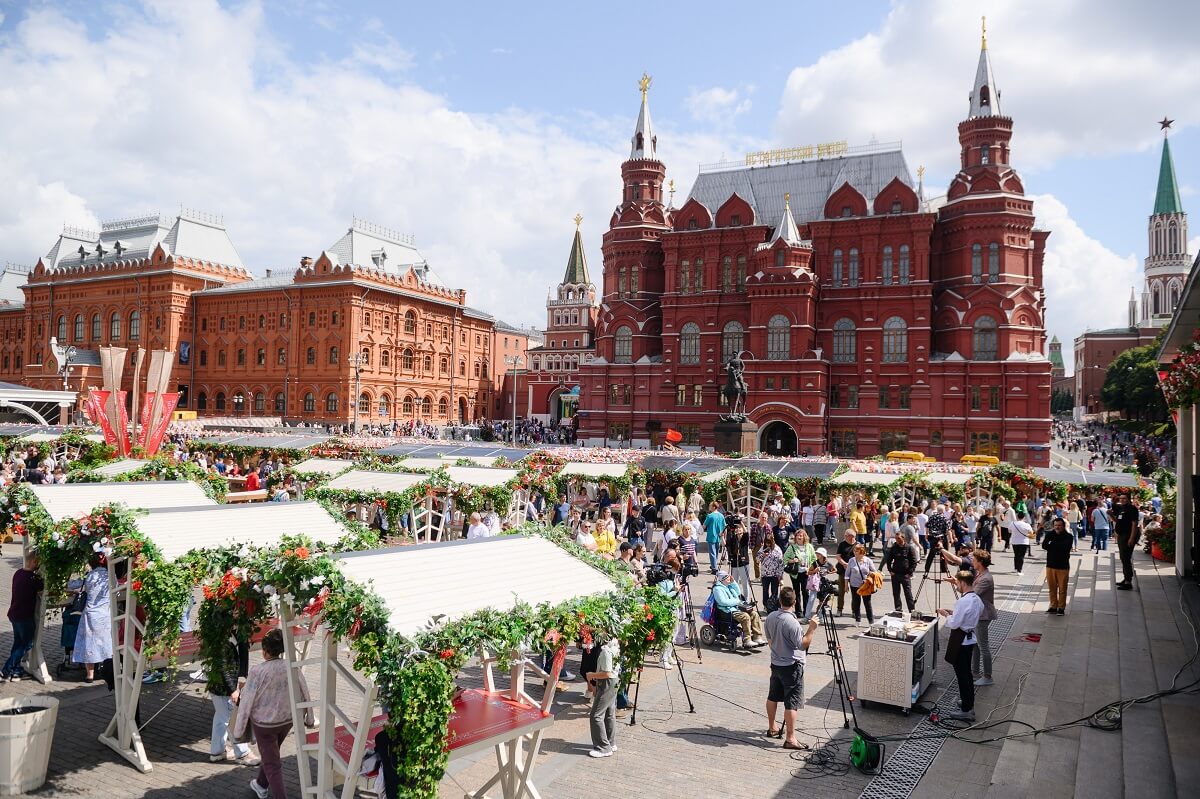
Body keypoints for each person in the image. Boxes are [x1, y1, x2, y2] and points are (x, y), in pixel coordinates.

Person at [234, 628, 312, 799]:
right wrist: (310, 718)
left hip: (265, 724)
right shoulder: (291, 666)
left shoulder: (257, 671)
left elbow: (246, 702)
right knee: (271, 754)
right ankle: (261, 784)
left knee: (272, 763)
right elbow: (305, 690)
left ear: (265, 651)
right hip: (287, 720)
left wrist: (238, 731)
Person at [763, 587, 819, 751]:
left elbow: (770, 642)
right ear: (795, 602)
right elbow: (802, 644)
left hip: (776, 664)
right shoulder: (792, 622)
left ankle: (772, 727)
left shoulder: (770, 617)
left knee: (773, 696)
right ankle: (790, 738)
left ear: (780, 601)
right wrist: (812, 628)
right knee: (792, 703)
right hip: (791, 666)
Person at [937, 570, 985, 721]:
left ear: (963, 583)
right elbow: (974, 614)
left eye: (957, 582)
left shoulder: (963, 601)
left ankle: (967, 710)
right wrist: (955, 613)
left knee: (962, 676)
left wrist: (946, 614)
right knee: (967, 674)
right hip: (970, 639)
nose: (956, 585)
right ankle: (967, 702)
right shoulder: (976, 599)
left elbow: (954, 623)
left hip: (961, 640)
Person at [206, 632, 259, 764]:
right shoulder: (223, 641)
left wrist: (241, 680)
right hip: (223, 689)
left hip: (219, 687)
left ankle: (217, 751)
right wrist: (232, 690)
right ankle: (242, 753)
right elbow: (223, 668)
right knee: (233, 720)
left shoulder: (232, 636)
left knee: (221, 718)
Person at [4, 552, 43, 681]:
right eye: (38, 562)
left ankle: (16, 671)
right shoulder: (33, 578)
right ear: (33, 562)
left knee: (18, 643)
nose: (39, 565)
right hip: (24, 616)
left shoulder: (18, 573)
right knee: (27, 644)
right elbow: (42, 590)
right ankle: (6, 669)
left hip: (14, 613)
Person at [74, 553, 112, 682]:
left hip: (90, 614)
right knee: (105, 642)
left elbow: (78, 587)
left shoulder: (89, 576)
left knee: (89, 644)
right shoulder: (110, 575)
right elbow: (117, 591)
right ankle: (107, 668)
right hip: (105, 614)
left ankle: (90, 674)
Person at [713, 570, 766, 649]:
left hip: (736, 608)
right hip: (727, 611)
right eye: (727, 577)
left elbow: (738, 594)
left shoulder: (729, 586)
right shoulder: (717, 589)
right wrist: (736, 602)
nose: (729, 578)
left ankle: (757, 637)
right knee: (745, 616)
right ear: (722, 579)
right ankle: (747, 640)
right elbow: (722, 602)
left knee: (754, 614)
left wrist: (733, 583)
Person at [586, 638, 621, 758]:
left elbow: (607, 673)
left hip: (607, 683)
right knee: (609, 713)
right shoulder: (615, 646)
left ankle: (603, 747)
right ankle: (610, 743)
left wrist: (592, 675)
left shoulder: (606, 651)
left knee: (596, 715)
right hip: (614, 681)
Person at [970, 550, 996, 686]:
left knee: (983, 646)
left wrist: (959, 583)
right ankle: (975, 672)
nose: (972, 562)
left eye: (974, 560)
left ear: (980, 562)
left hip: (983, 615)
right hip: (979, 614)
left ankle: (987, 676)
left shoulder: (986, 578)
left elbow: (973, 594)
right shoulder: (980, 574)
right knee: (976, 644)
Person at [881, 530, 918, 614]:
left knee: (908, 594)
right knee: (896, 593)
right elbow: (889, 560)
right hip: (895, 574)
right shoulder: (894, 548)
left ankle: (911, 610)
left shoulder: (909, 548)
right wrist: (890, 570)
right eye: (896, 538)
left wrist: (910, 573)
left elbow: (914, 562)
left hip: (905, 575)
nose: (897, 540)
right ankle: (898, 610)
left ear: (903, 538)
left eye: (898, 538)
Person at [1042, 517, 1073, 614]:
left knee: (1062, 588)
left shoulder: (1069, 536)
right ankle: (1053, 606)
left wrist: (1052, 544)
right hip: (1050, 565)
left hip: (1063, 566)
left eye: (1059, 525)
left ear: (1063, 526)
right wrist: (1057, 545)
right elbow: (1044, 545)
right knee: (1052, 588)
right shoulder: (1050, 534)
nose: (1057, 527)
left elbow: (1065, 548)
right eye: (1055, 525)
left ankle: (1061, 608)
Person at [1112, 493, 1141, 591]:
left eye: (1124, 498)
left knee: (1126, 557)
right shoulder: (1121, 508)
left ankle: (1128, 581)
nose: (1122, 500)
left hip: (1128, 535)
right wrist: (1110, 515)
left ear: (1128, 499)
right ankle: (1126, 579)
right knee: (1123, 557)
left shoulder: (1132, 509)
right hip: (1121, 535)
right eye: (1120, 498)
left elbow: (1134, 523)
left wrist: (1131, 538)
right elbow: (1118, 520)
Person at [802, 548, 835, 622]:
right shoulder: (815, 563)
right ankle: (807, 617)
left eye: (819, 554)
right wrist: (814, 571)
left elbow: (834, 570)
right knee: (811, 600)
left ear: (823, 555)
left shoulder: (828, 563)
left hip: (823, 584)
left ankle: (821, 617)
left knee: (822, 601)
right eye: (817, 553)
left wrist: (828, 572)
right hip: (815, 584)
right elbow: (808, 572)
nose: (817, 555)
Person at [846, 545, 876, 625]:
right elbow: (847, 574)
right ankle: (857, 619)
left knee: (867, 603)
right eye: (854, 551)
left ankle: (871, 621)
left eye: (857, 551)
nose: (855, 553)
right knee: (856, 602)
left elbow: (874, 572)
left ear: (862, 552)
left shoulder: (868, 561)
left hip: (865, 585)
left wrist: (869, 573)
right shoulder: (851, 560)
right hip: (854, 585)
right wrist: (846, 585)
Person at [725, 517, 752, 600]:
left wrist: (742, 523)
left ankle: (746, 600)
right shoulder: (733, 538)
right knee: (734, 583)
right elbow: (727, 544)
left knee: (744, 583)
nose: (738, 529)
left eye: (739, 528)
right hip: (734, 564)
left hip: (743, 564)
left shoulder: (744, 538)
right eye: (737, 528)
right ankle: (736, 598)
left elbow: (746, 533)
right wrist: (723, 535)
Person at [757, 534, 784, 611]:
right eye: (766, 543)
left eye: (769, 543)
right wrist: (763, 555)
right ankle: (766, 606)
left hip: (775, 574)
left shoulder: (777, 549)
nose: (768, 544)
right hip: (765, 574)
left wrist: (781, 576)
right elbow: (757, 560)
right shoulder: (763, 548)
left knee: (774, 591)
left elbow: (781, 563)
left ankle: (773, 606)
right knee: (765, 591)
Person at [834, 529, 856, 617]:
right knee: (841, 591)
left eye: (852, 536)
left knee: (855, 592)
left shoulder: (857, 545)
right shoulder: (842, 544)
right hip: (843, 571)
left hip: (854, 572)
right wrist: (844, 563)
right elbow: (838, 556)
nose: (851, 538)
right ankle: (839, 609)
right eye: (847, 536)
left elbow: (862, 557)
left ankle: (854, 610)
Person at [703, 502, 726, 574]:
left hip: (711, 535)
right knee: (716, 552)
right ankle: (714, 565)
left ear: (713, 507)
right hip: (719, 536)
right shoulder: (721, 516)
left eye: (710, 506)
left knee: (712, 552)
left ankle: (714, 568)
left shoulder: (710, 516)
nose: (709, 507)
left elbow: (704, 525)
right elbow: (724, 526)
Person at [1010, 511, 1033, 576]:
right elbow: (1031, 533)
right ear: (1024, 517)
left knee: (1016, 555)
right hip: (1024, 542)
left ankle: (1015, 568)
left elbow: (1009, 531)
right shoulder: (1027, 525)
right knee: (1021, 556)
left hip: (1014, 541)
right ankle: (1019, 570)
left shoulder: (1013, 523)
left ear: (1017, 517)